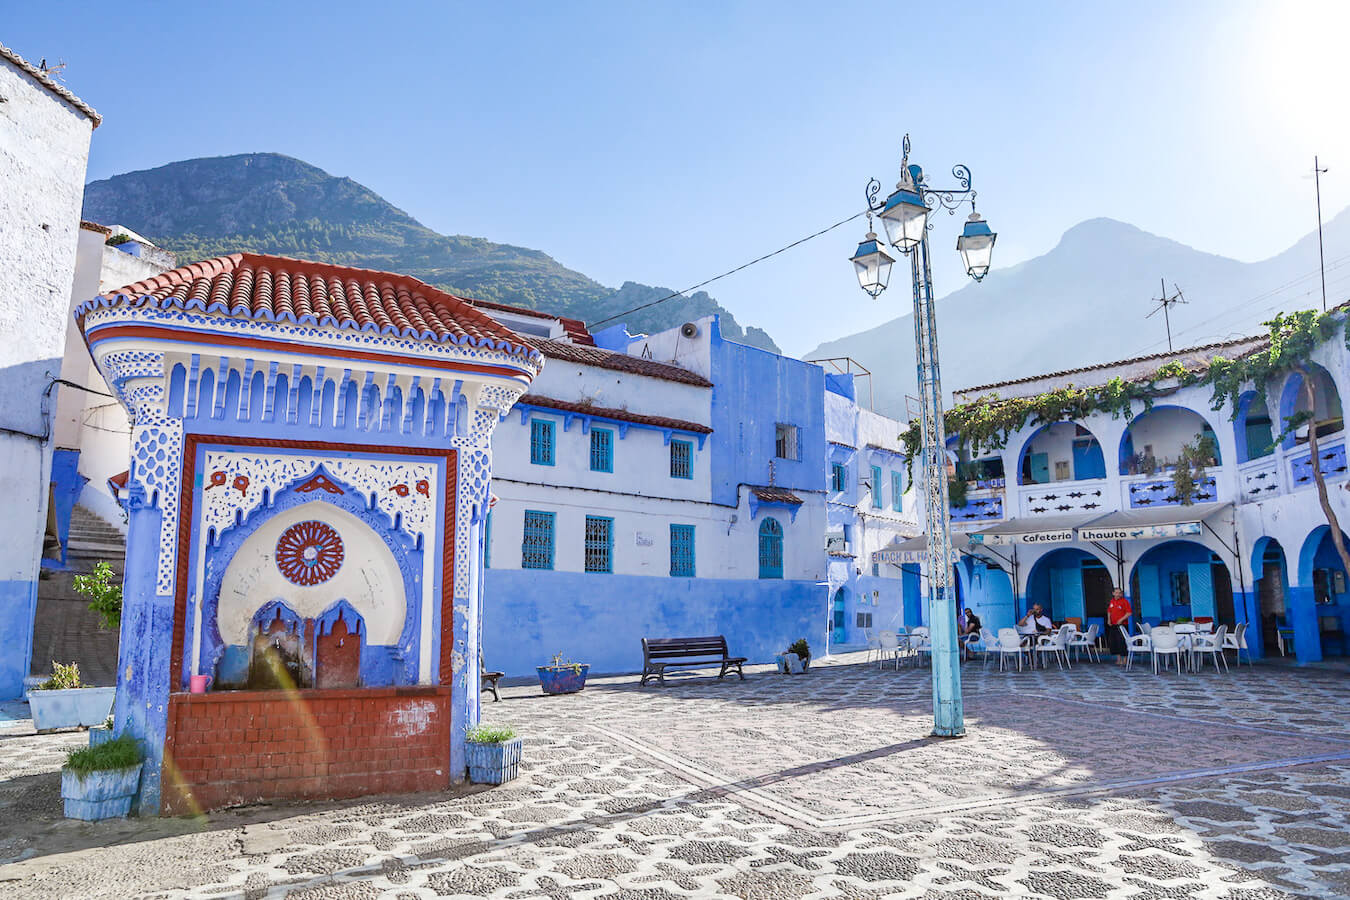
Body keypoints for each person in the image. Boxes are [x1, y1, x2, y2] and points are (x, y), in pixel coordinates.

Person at [1107, 588, 1133, 665]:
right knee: (1114, 642)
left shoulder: (1124, 601)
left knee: (1122, 642)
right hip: (1113, 625)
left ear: (1121, 594)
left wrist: (1121, 619)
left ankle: (1124, 660)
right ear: (1113, 593)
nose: (1118, 594)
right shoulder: (1112, 601)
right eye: (1116, 593)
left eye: (1119, 593)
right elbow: (1109, 611)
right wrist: (1108, 619)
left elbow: (1129, 613)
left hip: (1122, 625)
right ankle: (1118, 659)